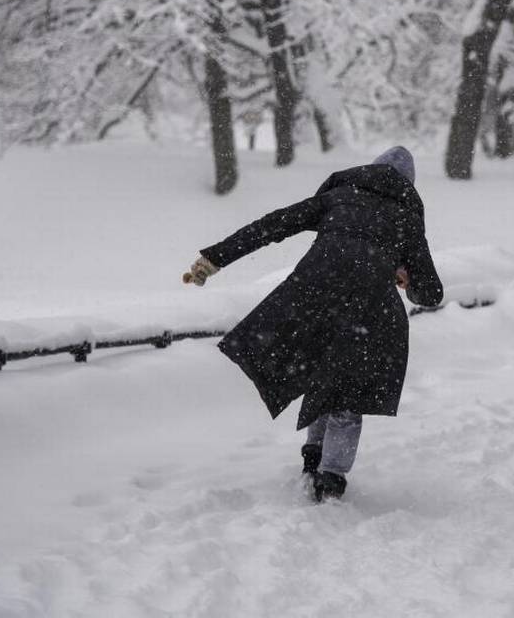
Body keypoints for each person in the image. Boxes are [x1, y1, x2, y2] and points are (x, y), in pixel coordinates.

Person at [185, 146, 443, 501]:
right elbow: (431, 293)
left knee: (322, 370)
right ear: (408, 186)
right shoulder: (406, 218)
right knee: (348, 393)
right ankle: (331, 480)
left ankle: (313, 459)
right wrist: (406, 278)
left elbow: (272, 225)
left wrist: (214, 259)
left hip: (314, 296)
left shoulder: (339, 196)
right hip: (370, 309)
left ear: (369, 170)